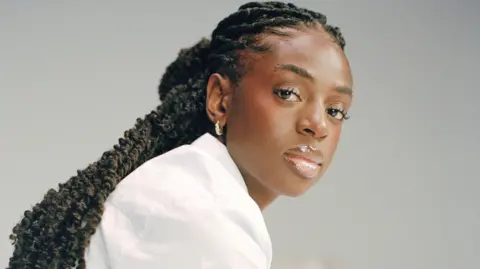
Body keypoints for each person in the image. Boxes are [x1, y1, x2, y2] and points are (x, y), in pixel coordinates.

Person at [7, 1, 354, 268]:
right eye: (288, 93)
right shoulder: (200, 213)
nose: (318, 125)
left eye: (335, 110)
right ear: (220, 99)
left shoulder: (191, 192)